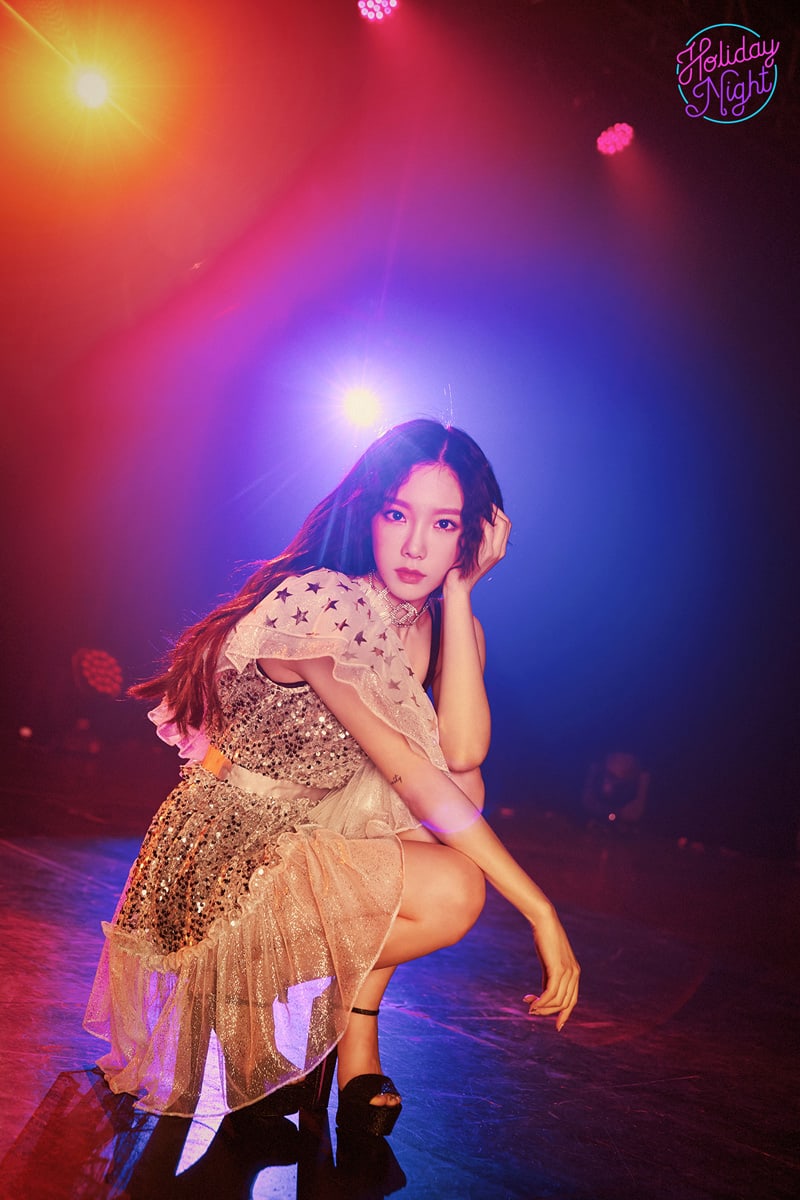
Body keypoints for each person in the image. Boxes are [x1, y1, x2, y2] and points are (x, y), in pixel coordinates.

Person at [84, 418, 579, 1138]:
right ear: (368, 514)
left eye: (444, 524)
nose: (416, 546)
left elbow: (462, 751)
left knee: (461, 789)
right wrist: (539, 910)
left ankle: (342, 1025)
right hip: (232, 856)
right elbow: (410, 771)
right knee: (454, 876)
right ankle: (265, 1000)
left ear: (472, 537)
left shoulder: (433, 620)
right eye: (397, 514)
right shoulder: (324, 605)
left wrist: (463, 596)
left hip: (304, 835)